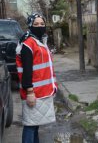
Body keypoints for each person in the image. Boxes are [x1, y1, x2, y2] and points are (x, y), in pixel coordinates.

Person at [16, 13, 58, 143]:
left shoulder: (39, 42)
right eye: (36, 24)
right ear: (30, 26)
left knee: (34, 125)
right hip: (34, 93)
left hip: (42, 92)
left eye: (42, 24)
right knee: (30, 126)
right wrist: (29, 92)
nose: (40, 26)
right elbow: (27, 70)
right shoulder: (29, 44)